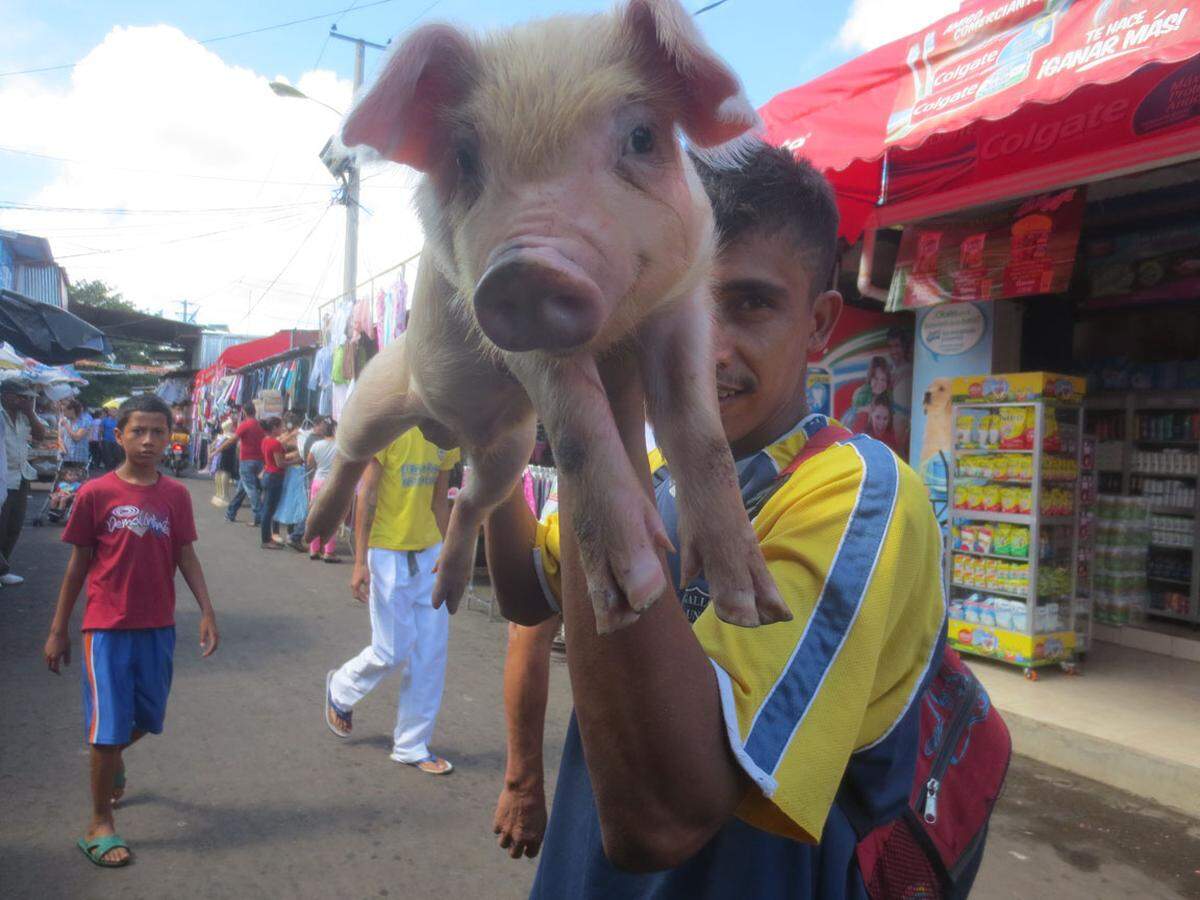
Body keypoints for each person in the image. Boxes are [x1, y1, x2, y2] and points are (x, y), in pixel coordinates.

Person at [485, 145, 947, 895]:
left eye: (751, 303)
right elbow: (521, 592)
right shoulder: (653, 473)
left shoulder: (859, 493)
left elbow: (660, 822)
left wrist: (598, 412)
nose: (705, 347)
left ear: (820, 322)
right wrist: (492, 435)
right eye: (676, 302)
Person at [42, 394, 219, 868]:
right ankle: (99, 823)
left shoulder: (175, 496)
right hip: (106, 628)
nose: (147, 440)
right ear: (118, 436)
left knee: (148, 717)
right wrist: (59, 628)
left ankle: (114, 760)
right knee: (106, 727)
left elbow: (185, 554)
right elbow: (78, 564)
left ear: (170, 438)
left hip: (157, 625)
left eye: (158, 431)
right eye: (137, 431)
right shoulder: (95, 493)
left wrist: (206, 609)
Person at [324, 427, 460, 775]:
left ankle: (412, 745)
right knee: (391, 649)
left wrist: (446, 553)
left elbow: (439, 498)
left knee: (430, 654)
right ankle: (342, 686)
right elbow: (367, 493)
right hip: (387, 553)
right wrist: (358, 562)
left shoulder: (447, 433)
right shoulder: (389, 428)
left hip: (429, 554)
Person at [1, 378, 48, 587]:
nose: (24, 400)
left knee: (14, 526)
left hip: (20, 476)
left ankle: (3, 569)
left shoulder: (23, 416)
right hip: (2, 477)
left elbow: (40, 435)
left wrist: (30, 412)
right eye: (20, 396)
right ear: (6, 395)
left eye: (26, 397)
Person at [225, 402, 266, 526]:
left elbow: (233, 439)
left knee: (250, 489)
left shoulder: (245, 425)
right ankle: (230, 512)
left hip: (247, 461)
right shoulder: (259, 426)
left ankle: (259, 515)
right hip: (259, 461)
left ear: (244, 412)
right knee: (243, 488)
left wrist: (217, 450)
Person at [272, 412, 309, 551]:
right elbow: (278, 445)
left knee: (295, 501)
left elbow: (303, 452)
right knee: (283, 500)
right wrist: (291, 436)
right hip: (288, 470)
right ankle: (276, 532)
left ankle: (291, 533)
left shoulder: (301, 435)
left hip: (297, 470)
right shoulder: (285, 436)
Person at [305, 419, 340, 562]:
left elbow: (310, 462)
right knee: (331, 518)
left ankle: (314, 549)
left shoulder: (316, 445)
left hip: (318, 481)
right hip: (333, 482)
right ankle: (328, 551)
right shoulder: (340, 446)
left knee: (315, 515)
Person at [256, 417, 287, 550]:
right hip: (274, 476)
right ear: (274, 428)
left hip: (269, 474)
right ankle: (266, 539)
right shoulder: (275, 443)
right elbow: (280, 463)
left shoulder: (265, 440)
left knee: (267, 508)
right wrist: (296, 461)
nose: (282, 429)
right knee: (269, 509)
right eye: (280, 427)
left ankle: (267, 538)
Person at [208, 420, 239, 508]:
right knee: (221, 473)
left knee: (222, 473)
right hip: (222, 457)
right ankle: (222, 494)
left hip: (223, 457)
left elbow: (213, 446)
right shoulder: (226, 436)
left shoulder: (226, 436)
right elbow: (213, 445)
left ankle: (222, 494)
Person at [59, 400, 93, 466]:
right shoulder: (64, 420)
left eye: (64, 411)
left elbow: (77, 438)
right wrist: (62, 448)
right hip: (65, 458)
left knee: (78, 475)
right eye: (62, 411)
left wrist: (66, 425)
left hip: (79, 458)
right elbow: (60, 437)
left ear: (72, 410)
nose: (63, 414)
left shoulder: (84, 421)